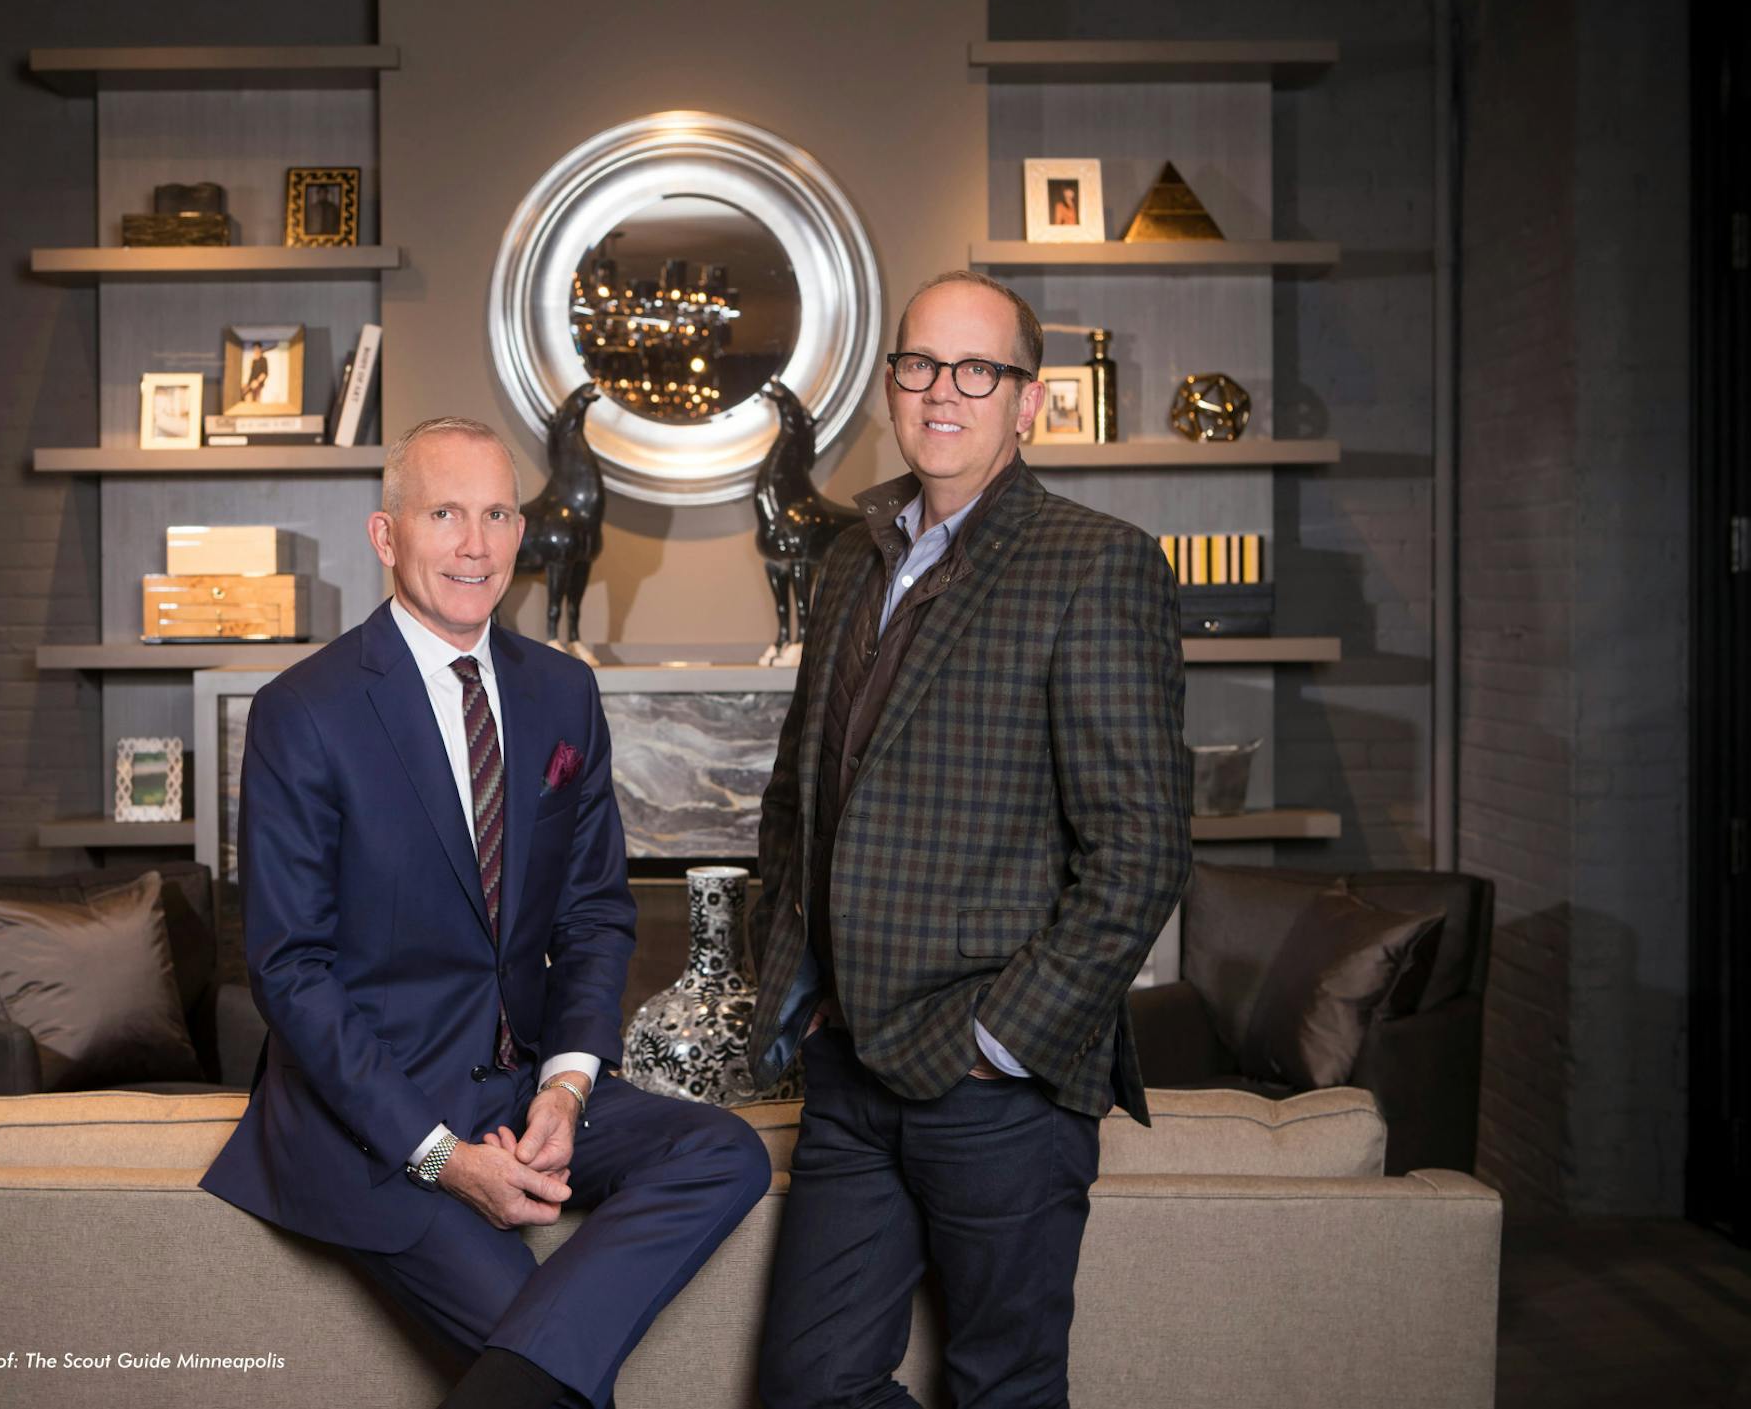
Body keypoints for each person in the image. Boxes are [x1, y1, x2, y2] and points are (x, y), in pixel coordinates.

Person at [201, 416, 770, 1409]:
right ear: (387, 535)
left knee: (726, 1149)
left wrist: (565, 1091)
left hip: (518, 1089)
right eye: (445, 514)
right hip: (371, 1119)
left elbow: (594, 915)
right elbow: (290, 970)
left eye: (499, 514)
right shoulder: (305, 711)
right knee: (547, 1375)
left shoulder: (563, 693)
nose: (476, 544)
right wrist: (444, 1158)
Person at [744, 271, 1192, 1408]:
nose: (943, 390)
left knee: (1003, 1386)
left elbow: (1140, 851)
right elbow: (799, 793)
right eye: (920, 364)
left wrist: (1003, 1040)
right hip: (849, 1070)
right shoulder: (848, 558)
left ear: (1028, 401)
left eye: (977, 369)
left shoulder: (1095, 563)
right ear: (892, 382)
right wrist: (793, 976)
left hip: (996, 1087)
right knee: (809, 1383)